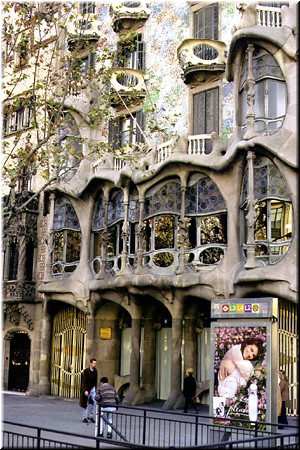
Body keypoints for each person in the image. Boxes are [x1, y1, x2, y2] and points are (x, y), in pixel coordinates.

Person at [79, 358, 98, 423]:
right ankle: (84, 417)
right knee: (85, 403)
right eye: (93, 363)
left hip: (93, 388)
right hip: (87, 388)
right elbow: (84, 381)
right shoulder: (86, 371)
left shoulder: (95, 371)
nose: (94, 364)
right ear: (90, 363)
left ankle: (91, 416)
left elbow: (95, 380)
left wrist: (95, 388)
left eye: (95, 363)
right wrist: (85, 390)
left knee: (95, 402)